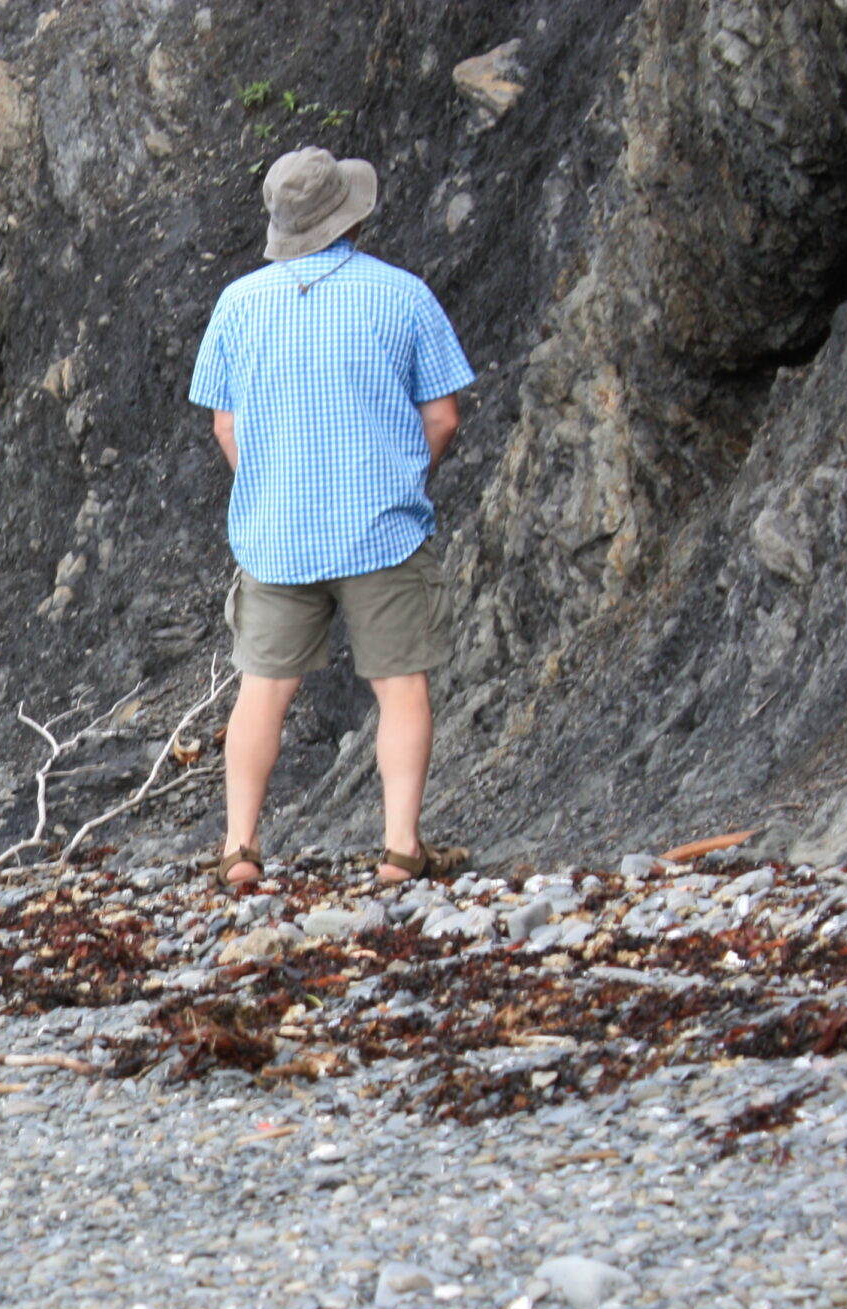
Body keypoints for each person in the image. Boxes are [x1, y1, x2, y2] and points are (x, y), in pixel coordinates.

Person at [186, 146, 475, 886]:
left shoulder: (238, 304)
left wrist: (272, 487)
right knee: (400, 684)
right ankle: (400, 850)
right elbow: (441, 417)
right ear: (349, 213)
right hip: (383, 527)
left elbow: (226, 426)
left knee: (263, 689)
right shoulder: (404, 295)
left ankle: (240, 849)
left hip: (277, 533)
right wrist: (406, 477)